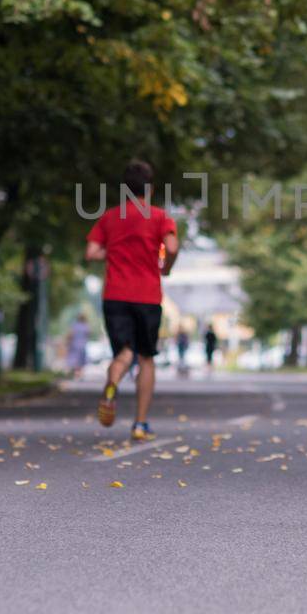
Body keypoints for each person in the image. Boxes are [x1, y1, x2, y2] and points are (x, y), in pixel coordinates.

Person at [85, 159, 178, 440]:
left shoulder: (110, 217)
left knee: (124, 353)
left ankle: (112, 383)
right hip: (147, 295)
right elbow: (171, 247)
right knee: (146, 358)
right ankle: (140, 424)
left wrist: (112, 253)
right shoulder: (160, 217)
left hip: (114, 294)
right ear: (149, 189)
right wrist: (166, 267)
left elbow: (91, 253)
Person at [64, 311, 91, 379]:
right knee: (81, 360)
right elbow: (88, 334)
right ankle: (79, 374)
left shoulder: (75, 325)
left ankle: (74, 373)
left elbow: (70, 334)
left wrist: (67, 341)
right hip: (82, 345)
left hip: (74, 345)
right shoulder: (86, 326)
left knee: (74, 359)